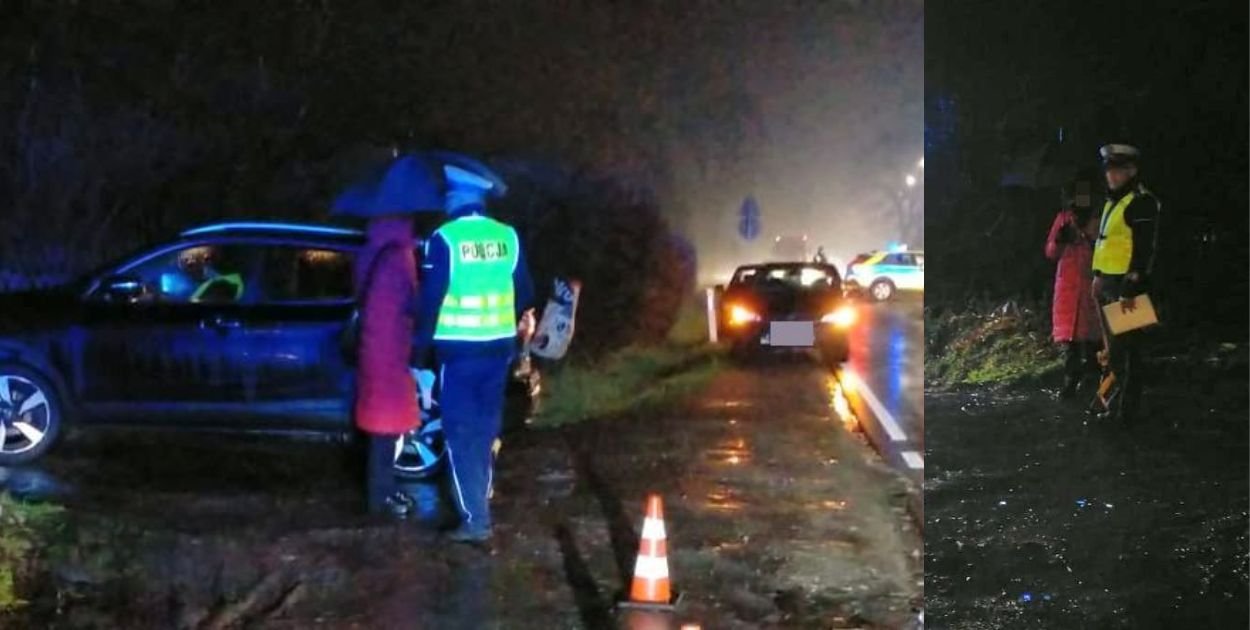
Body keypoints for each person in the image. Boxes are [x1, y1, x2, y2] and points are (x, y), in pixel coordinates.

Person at [412, 161, 534, 544]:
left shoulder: (444, 239)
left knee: (460, 435)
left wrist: (418, 360)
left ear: (453, 199)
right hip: (499, 351)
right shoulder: (508, 237)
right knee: (483, 432)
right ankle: (480, 502)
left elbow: (430, 303)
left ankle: (475, 521)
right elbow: (525, 293)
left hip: (458, 355)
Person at [353, 155, 443, 517]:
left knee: (383, 427)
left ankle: (383, 494)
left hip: (377, 348)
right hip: (390, 350)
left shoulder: (373, 249)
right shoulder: (396, 256)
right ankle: (381, 498)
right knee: (386, 428)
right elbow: (404, 305)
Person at [1090, 143, 1161, 423]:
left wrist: (1132, 285)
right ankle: (1117, 407)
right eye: (1109, 170)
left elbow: (1146, 248)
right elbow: (1104, 243)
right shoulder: (1113, 201)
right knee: (1117, 354)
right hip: (1109, 284)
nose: (1111, 175)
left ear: (1132, 171)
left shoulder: (1141, 202)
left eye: (1118, 170)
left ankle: (1126, 412)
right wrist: (1097, 275)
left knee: (1129, 354)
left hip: (1130, 287)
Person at [1045, 178, 1101, 398]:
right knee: (1069, 341)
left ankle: (1094, 380)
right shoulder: (1063, 219)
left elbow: (1104, 249)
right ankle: (1071, 379)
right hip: (1067, 288)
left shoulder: (1097, 219)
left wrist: (1087, 237)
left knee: (1092, 337)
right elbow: (1051, 252)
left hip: (1090, 284)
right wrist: (1059, 239)